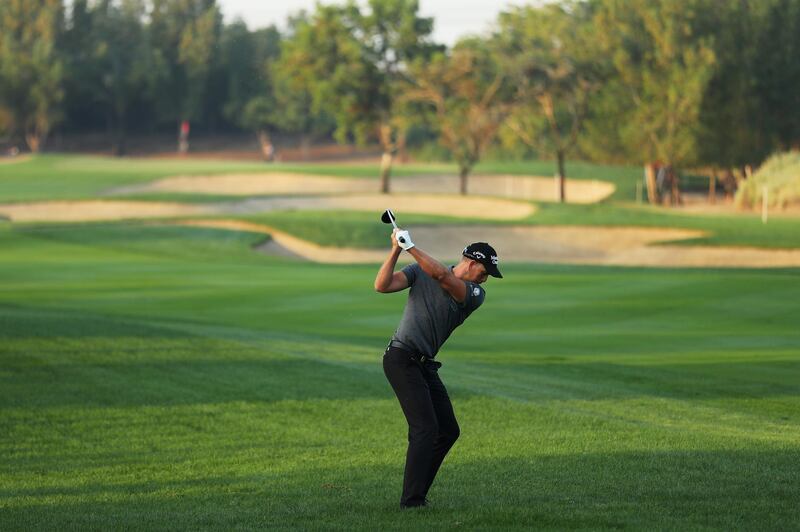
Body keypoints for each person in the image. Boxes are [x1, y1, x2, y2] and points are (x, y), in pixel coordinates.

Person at [374, 226, 502, 509]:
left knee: (447, 430)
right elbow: (382, 285)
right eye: (484, 271)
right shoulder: (420, 270)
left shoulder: (474, 293)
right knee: (425, 429)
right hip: (400, 358)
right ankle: (412, 501)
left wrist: (411, 246)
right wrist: (396, 249)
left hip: (423, 365)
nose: (486, 279)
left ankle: (416, 493)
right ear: (471, 262)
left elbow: (442, 276)